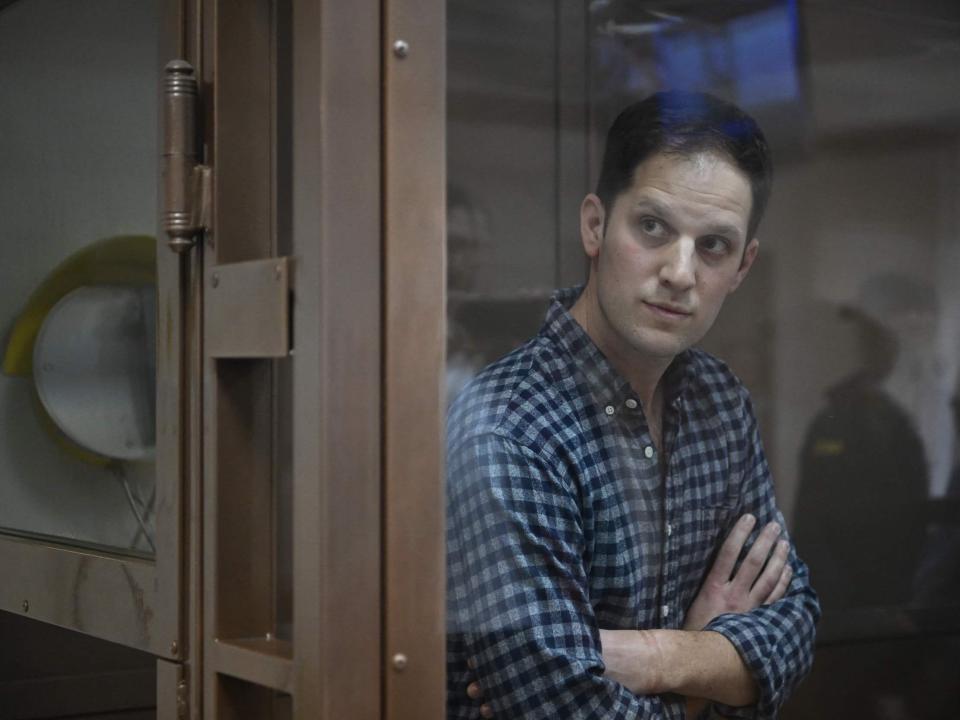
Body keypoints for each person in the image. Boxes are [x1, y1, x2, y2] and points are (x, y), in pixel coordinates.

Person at [446, 91, 820, 719]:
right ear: (594, 225)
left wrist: (654, 657)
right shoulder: (510, 426)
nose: (679, 272)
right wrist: (709, 673)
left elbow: (795, 623)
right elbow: (562, 707)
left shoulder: (720, 403)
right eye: (653, 227)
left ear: (743, 266)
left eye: (714, 246)